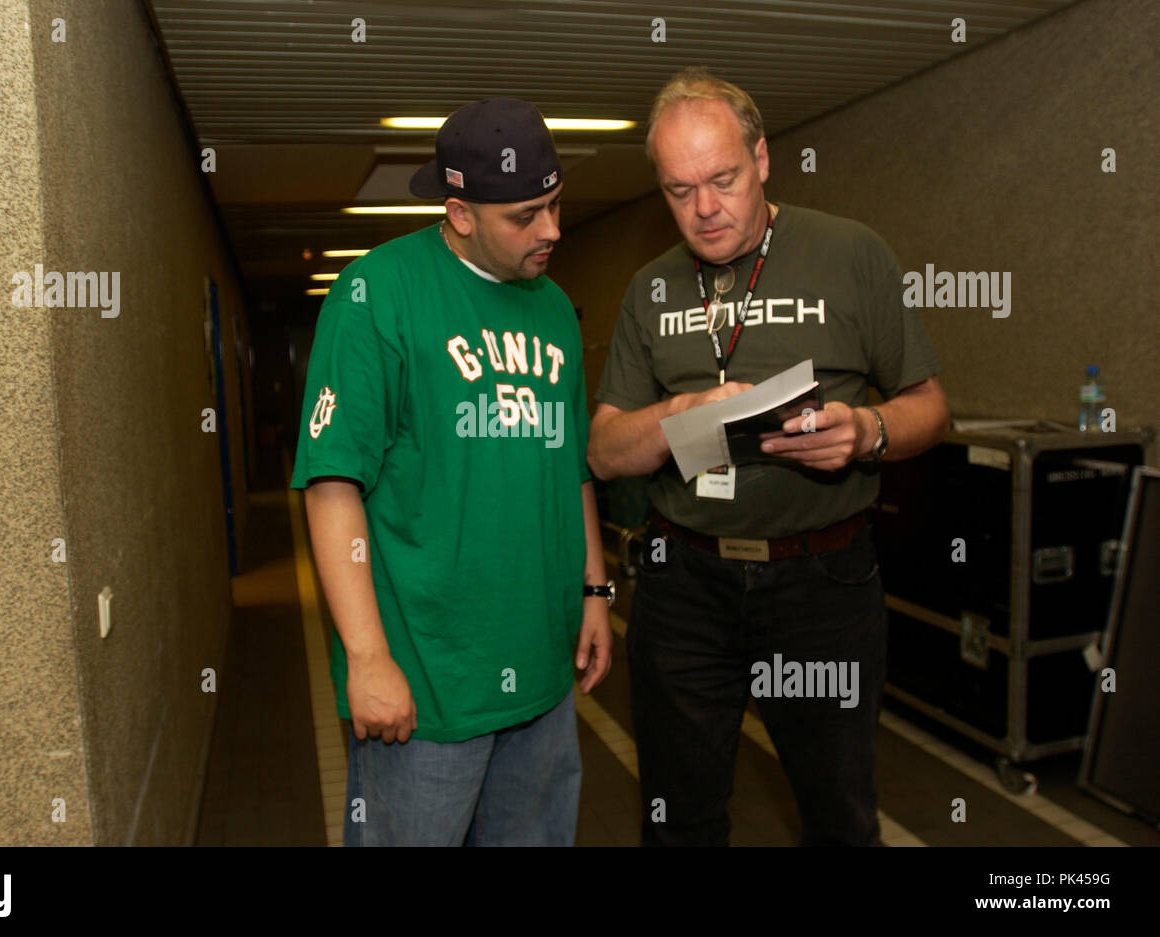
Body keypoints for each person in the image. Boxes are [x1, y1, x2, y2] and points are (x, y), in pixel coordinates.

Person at [589, 68, 950, 846]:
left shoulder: (852, 253)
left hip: (821, 583)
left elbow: (931, 407)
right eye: (679, 190)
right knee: (679, 817)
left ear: (761, 159)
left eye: (721, 179)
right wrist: (675, 414)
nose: (705, 209)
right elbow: (605, 450)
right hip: (684, 584)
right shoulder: (650, 288)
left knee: (838, 812)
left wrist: (867, 430)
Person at [292, 97, 613, 846]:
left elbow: (572, 468)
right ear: (460, 212)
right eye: (526, 216)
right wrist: (367, 658)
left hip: (541, 679)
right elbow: (333, 482)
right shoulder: (379, 294)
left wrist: (595, 589)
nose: (552, 231)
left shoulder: (557, 309)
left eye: (557, 205)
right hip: (429, 690)